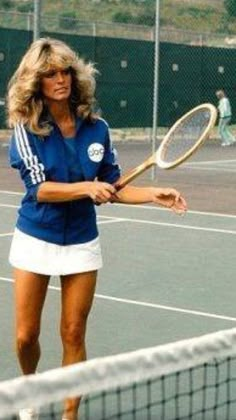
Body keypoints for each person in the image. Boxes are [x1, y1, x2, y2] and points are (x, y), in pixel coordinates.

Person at [6, 37, 187, 420]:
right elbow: (40, 189)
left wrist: (155, 194)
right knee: (26, 336)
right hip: (36, 237)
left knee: (73, 333)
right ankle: (29, 388)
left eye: (66, 71)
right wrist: (86, 187)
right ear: (35, 81)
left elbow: (113, 186)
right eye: (51, 73)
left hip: (82, 242)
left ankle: (70, 414)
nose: (61, 80)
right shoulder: (27, 128)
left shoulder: (97, 129)